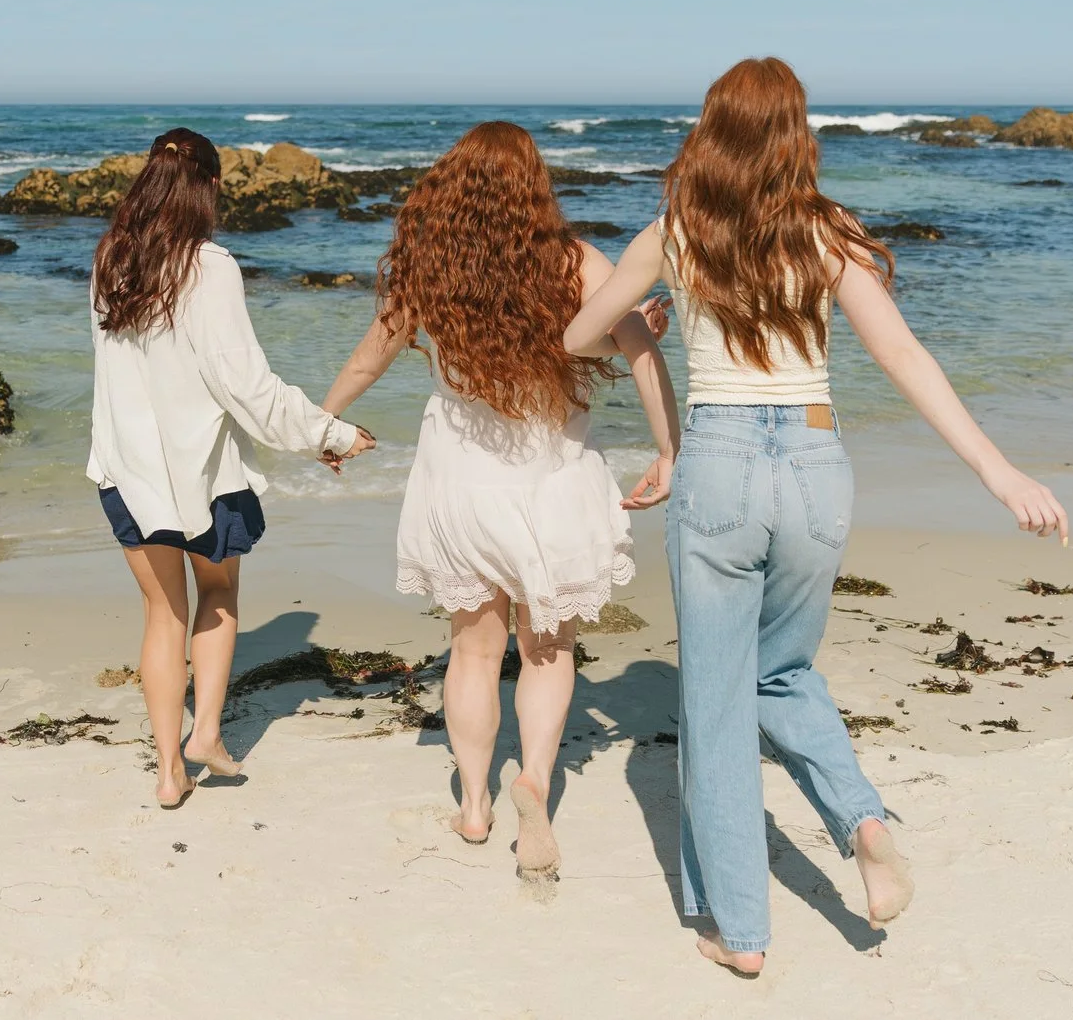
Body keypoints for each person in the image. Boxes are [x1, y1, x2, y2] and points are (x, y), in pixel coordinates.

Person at [565, 58, 1069, 976]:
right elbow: (904, 353)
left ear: (713, 128)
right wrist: (1000, 472)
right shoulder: (828, 231)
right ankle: (864, 820)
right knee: (786, 671)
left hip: (717, 464)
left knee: (716, 707)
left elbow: (575, 335)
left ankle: (740, 933)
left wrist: (648, 311)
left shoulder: (676, 230)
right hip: (814, 459)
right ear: (797, 134)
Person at [321, 121, 679, 877]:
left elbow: (370, 355)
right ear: (534, 186)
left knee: (474, 651)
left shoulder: (429, 267)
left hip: (460, 483)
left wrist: (322, 426)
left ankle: (476, 802)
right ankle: (535, 782)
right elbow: (632, 350)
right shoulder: (575, 261)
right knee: (547, 650)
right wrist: (669, 449)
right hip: (554, 481)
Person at [88, 127, 375, 810]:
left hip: (126, 472)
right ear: (209, 187)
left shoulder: (109, 259)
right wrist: (329, 434)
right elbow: (248, 388)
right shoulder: (209, 267)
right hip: (202, 478)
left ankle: (167, 771)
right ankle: (206, 735)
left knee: (162, 614)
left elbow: (114, 376)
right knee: (216, 598)